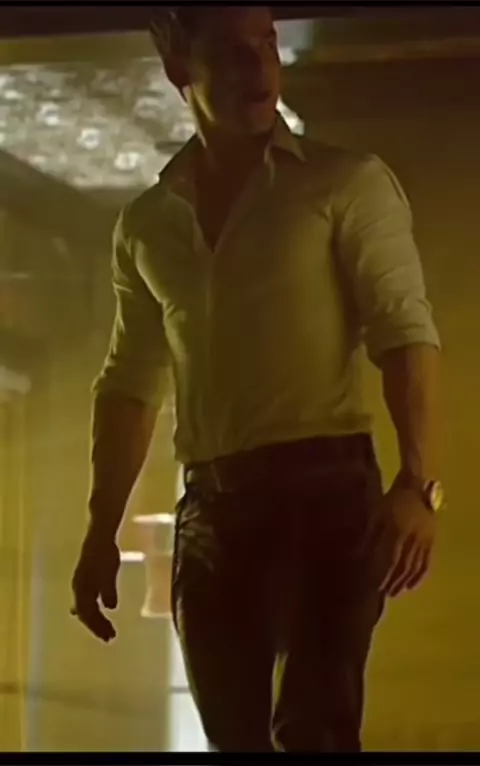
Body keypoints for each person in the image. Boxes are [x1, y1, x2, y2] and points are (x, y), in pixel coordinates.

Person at [72, 6, 444, 753]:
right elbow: (130, 383)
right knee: (232, 741)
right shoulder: (147, 225)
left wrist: (418, 483)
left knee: (314, 731)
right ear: (181, 67)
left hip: (327, 497)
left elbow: (405, 332)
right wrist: (100, 529)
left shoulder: (344, 184)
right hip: (212, 510)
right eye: (232, 52)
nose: (259, 67)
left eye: (267, 44)